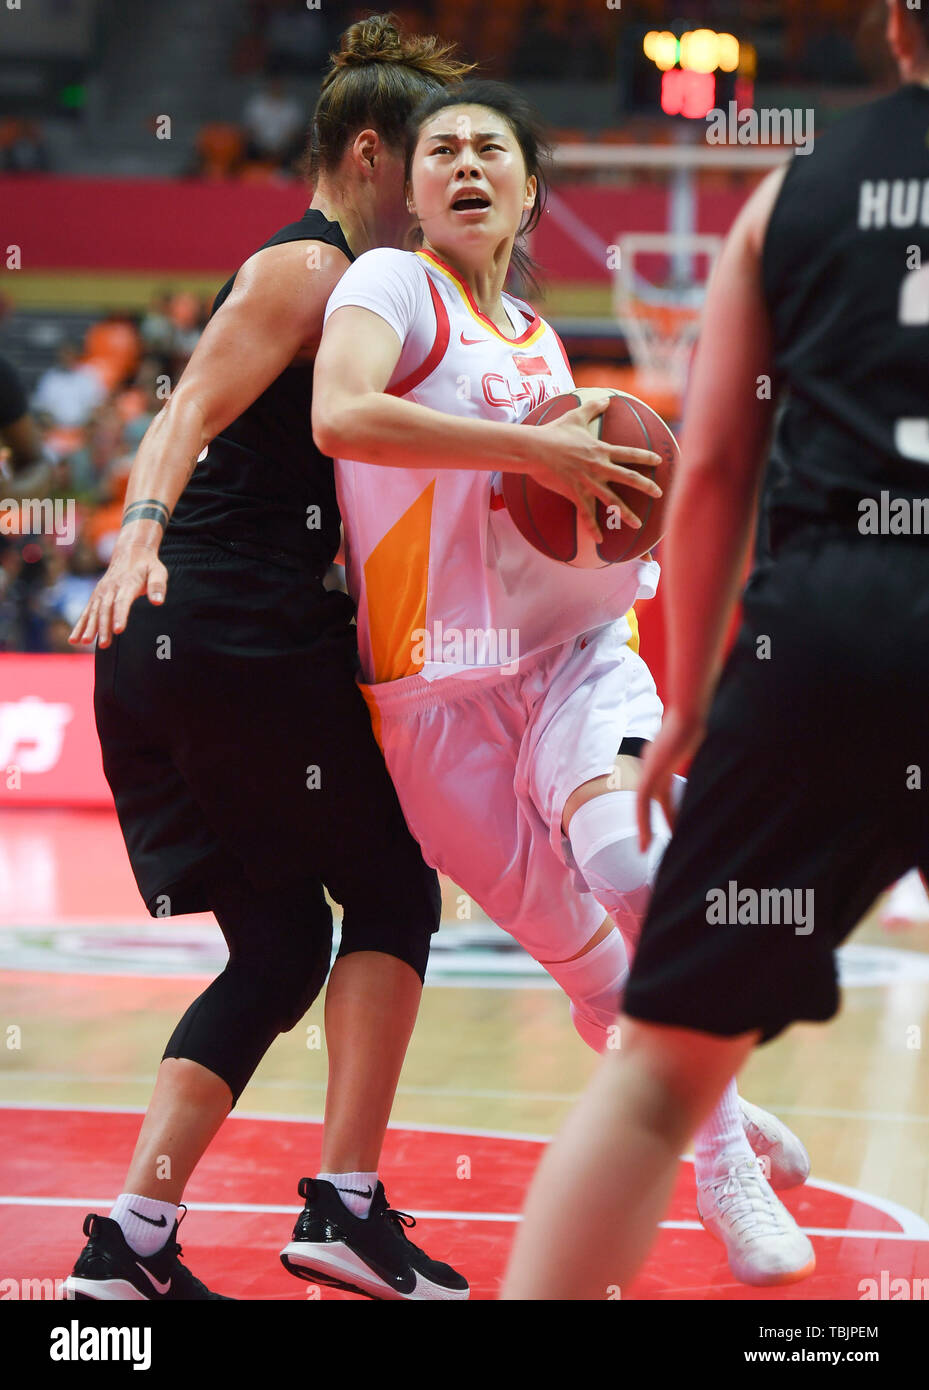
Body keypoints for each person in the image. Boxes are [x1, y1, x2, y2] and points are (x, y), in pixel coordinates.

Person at [312, 78, 814, 1289]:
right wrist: (532, 449)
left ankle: (720, 1173)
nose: (468, 165)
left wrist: (587, 480)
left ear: (531, 189)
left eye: (493, 148)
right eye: (444, 151)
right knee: (599, 988)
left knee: (630, 858)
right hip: (434, 704)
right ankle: (724, 1118)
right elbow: (339, 412)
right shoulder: (385, 286)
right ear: (412, 188)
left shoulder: (535, 340)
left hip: (576, 662)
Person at [501, 0, 929, 1300]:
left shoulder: (798, 188)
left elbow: (711, 473)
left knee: (658, 1074)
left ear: (898, 24)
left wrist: (684, 706)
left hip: (833, 632)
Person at [64, 15, 480, 1303]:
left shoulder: (357, 297)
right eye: (423, 167)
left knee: (283, 947)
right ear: (370, 154)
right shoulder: (308, 271)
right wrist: (136, 531)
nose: (434, 200)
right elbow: (181, 407)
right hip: (224, 628)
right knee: (398, 895)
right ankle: (348, 1210)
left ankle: (128, 1244)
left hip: (179, 654)